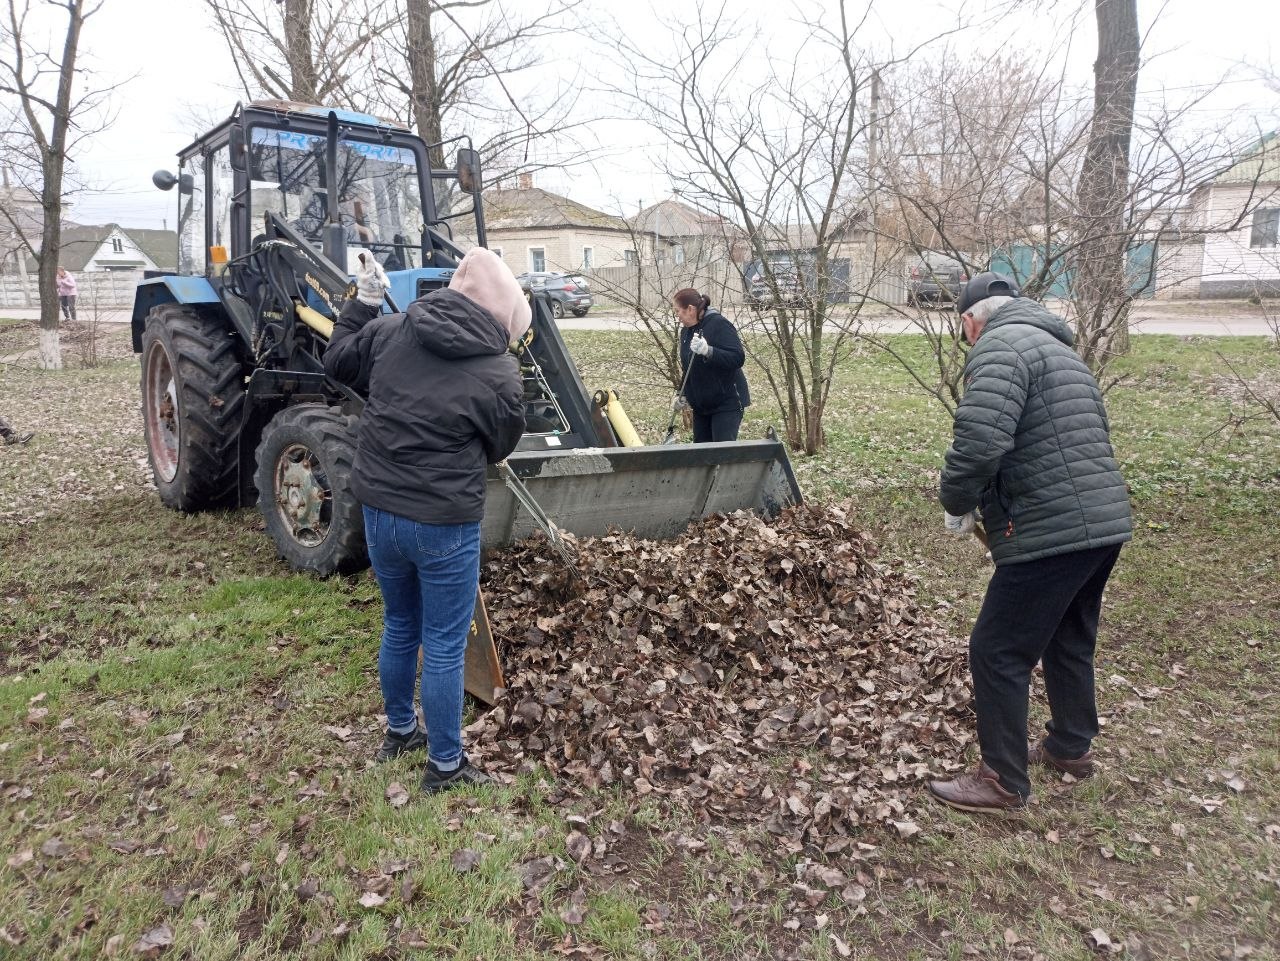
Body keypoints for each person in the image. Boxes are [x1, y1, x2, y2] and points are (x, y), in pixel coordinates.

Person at [927, 272, 1133, 814]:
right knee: (1068, 634)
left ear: (972, 320)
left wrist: (955, 500)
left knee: (997, 649)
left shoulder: (999, 347)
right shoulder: (1061, 351)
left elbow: (980, 439)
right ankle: (1070, 747)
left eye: (962, 331)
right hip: (1103, 522)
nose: (966, 341)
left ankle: (1002, 781)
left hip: (1051, 528)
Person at [324, 247, 528, 795]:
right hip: (443, 524)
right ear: (499, 317)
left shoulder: (390, 330)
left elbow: (337, 362)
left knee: (399, 625)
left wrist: (362, 304)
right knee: (442, 643)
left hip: (380, 515)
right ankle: (444, 765)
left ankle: (399, 731)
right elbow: (500, 445)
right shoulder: (499, 373)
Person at [674, 288, 749, 442]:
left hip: (726, 402)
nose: (677, 316)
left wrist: (709, 351)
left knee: (721, 456)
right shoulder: (686, 333)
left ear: (690, 309)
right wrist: (682, 394)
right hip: (702, 406)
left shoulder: (718, 324)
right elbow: (688, 366)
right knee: (703, 457)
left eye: (678, 311)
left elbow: (737, 358)